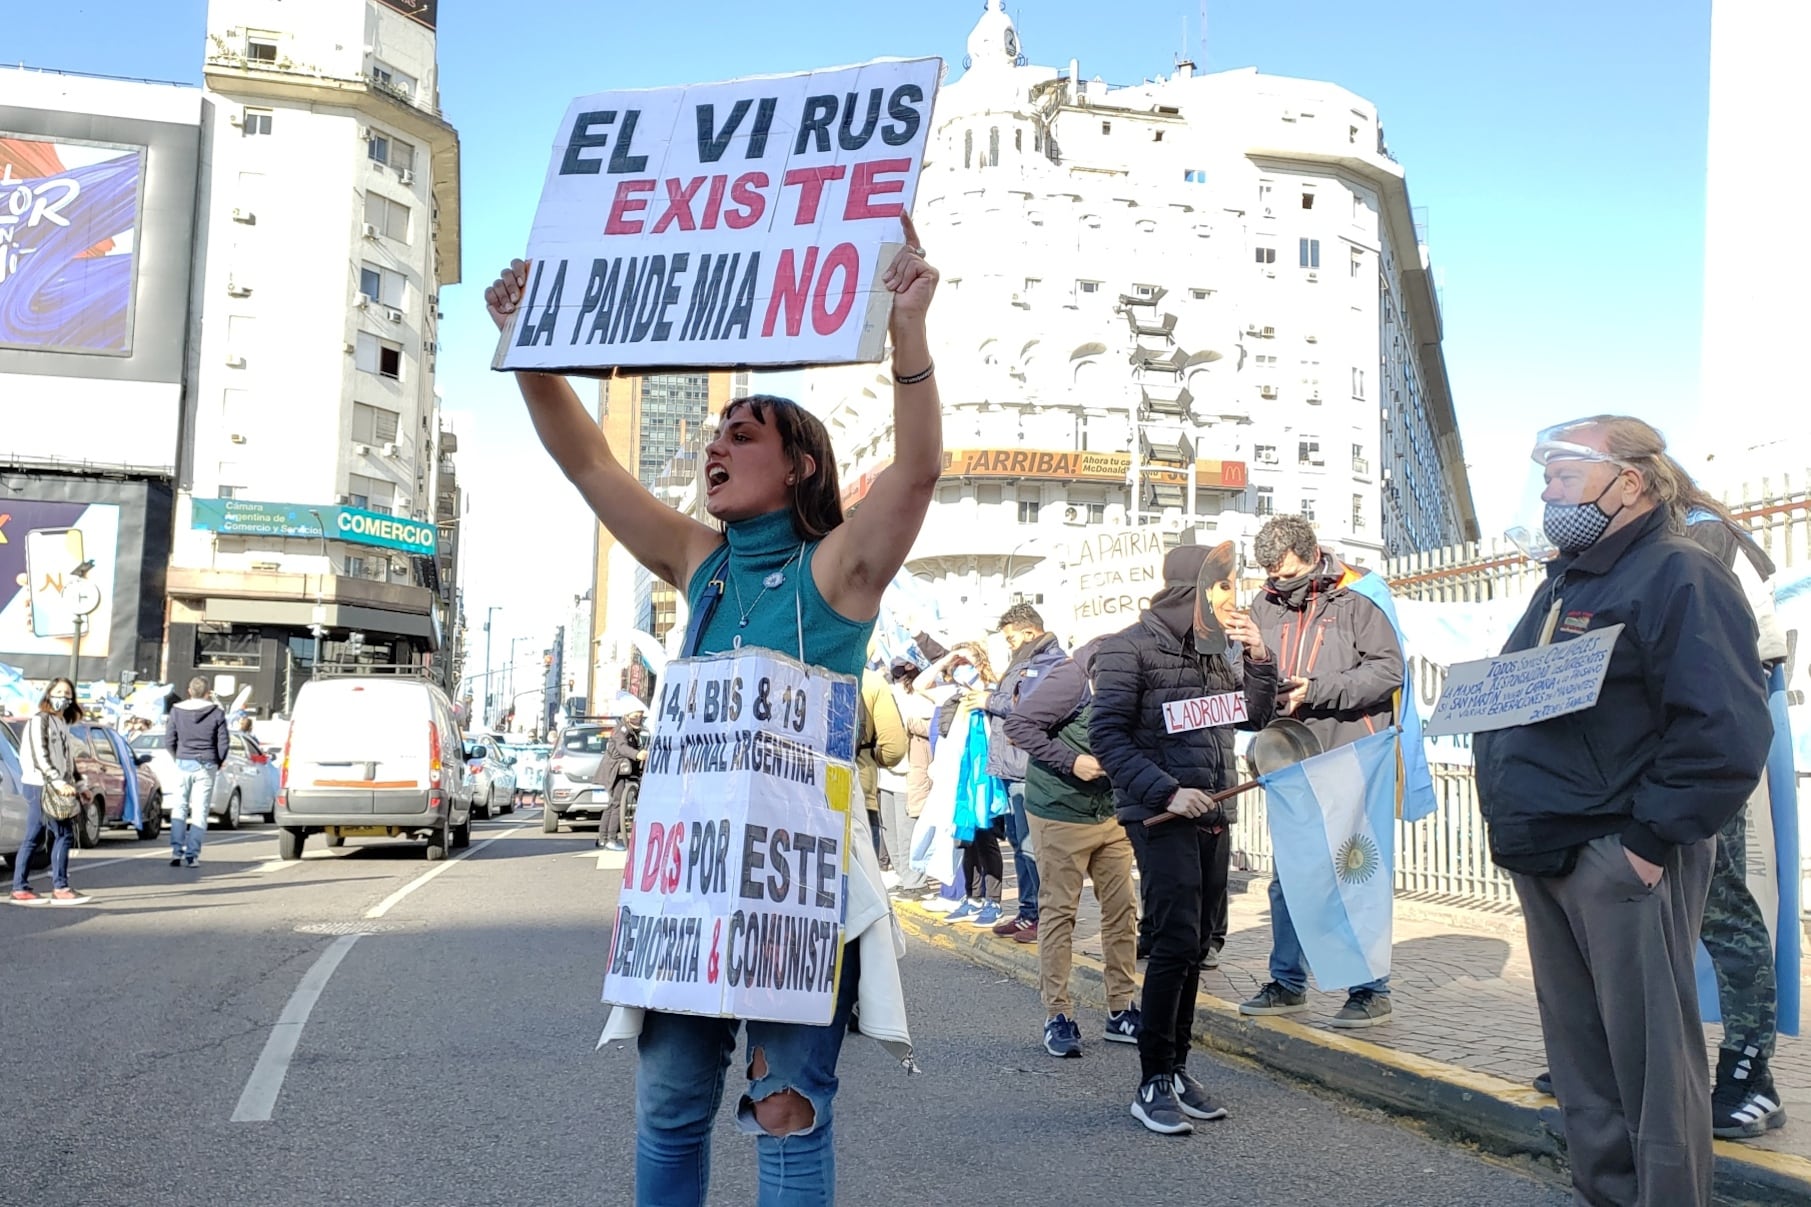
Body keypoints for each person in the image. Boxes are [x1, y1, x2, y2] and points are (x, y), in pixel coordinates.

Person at [487, 218, 940, 1207]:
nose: (713, 448)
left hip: (798, 888)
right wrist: (528, 351)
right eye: (713, 435)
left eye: (742, 434)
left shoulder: (836, 572)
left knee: (785, 1109)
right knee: (669, 1107)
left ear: (801, 465)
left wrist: (907, 331)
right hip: (686, 889)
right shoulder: (700, 565)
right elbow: (591, 467)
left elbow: (914, 474)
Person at [1474, 416, 1771, 1207]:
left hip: (1618, 854)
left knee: (1650, 1071)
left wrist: (1644, 842)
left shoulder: (1679, 573)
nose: (1547, 492)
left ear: (1628, 482)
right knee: (1583, 1064)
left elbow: (1723, 727)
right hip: (1548, 847)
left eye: (1563, 476)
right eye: (1545, 477)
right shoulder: (1567, 581)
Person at [1091, 544, 1275, 1135]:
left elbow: (1251, 716)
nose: (1234, 597)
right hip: (1160, 816)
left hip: (1213, 812)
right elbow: (1107, 737)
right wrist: (1168, 792)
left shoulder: (1215, 651)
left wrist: (1260, 657)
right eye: (1224, 585)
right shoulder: (1126, 648)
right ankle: (1151, 1080)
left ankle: (1176, 1069)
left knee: (1196, 944)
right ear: (1191, 588)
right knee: (1172, 943)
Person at [1238, 515, 1403, 1029]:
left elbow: (1388, 670)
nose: (1278, 581)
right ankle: (1287, 982)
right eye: (1270, 574)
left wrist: (1316, 689)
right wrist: (1259, 665)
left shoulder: (1358, 599)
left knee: (1354, 872)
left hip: (1350, 754)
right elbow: (1248, 677)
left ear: (1311, 555)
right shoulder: (1262, 604)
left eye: (1286, 572)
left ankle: (1370, 989)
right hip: (1289, 758)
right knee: (1289, 874)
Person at [1000, 639, 1140, 1058]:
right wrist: (1071, 761)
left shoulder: (1144, 672)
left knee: (1122, 910)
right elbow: (1017, 727)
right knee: (1060, 913)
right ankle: (1058, 1015)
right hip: (1059, 811)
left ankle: (1121, 1009)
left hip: (1111, 812)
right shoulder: (1070, 677)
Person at [981, 604, 1066, 941]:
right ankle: (1029, 911)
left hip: (1028, 766)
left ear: (1029, 632)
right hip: (1013, 765)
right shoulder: (1023, 661)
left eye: (1012, 639)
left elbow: (1028, 706)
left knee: (1034, 846)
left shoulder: (1049, 663)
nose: (1010, 645)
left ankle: (1045, 917)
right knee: (1019, 842)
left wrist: (988, 701)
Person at [10, 679, 89, 905]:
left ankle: (20, 888)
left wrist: (80, 786)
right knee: (63, 834)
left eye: (67, 693)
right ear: (48, 694)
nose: (63, 697)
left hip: (55, 785)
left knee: (34, 836)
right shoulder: (40, 721)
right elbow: (40, 756)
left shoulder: (61, 723)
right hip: (41, 785)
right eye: (58, 692)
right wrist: (56, 782)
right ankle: (60, 887)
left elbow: (67, 759)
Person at [878, 658, 932, 897]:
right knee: (890, 830)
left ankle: (916, 881)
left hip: (910, 772)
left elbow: (931, 727)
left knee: (907, 830)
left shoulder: (923, 695)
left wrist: (908, 722)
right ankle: (903, 876)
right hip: (886, 772)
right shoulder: (887, 691)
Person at [165, 676, 229, 869]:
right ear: (208, 693)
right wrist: (218, 761)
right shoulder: (216, 712)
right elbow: (223, 742)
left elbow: (169, 740)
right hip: (207, 763)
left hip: (183, 761)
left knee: (180, 807)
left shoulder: (176, 710)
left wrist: (178, 757)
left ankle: (176, 852)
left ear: (189, 691)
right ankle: (192, 856)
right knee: (200, 811)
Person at [857, 666, 909, 870]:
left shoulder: (791, 665)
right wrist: (872, 759)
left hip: (798, 789)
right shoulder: (872, 682)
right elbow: (894, 749)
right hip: (859, 789)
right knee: (863, 877)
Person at [597, 707, 646, 853]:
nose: (638, 719)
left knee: (612, 804)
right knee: (617, 804)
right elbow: (622, 747)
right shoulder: (621, 730)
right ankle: (611, 839)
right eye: (635, 716)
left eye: (640, 716)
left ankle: (603, 838)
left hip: (619, 769)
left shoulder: (633, 731)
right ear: (626, 716)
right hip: (615, 770)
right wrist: (637, 754)